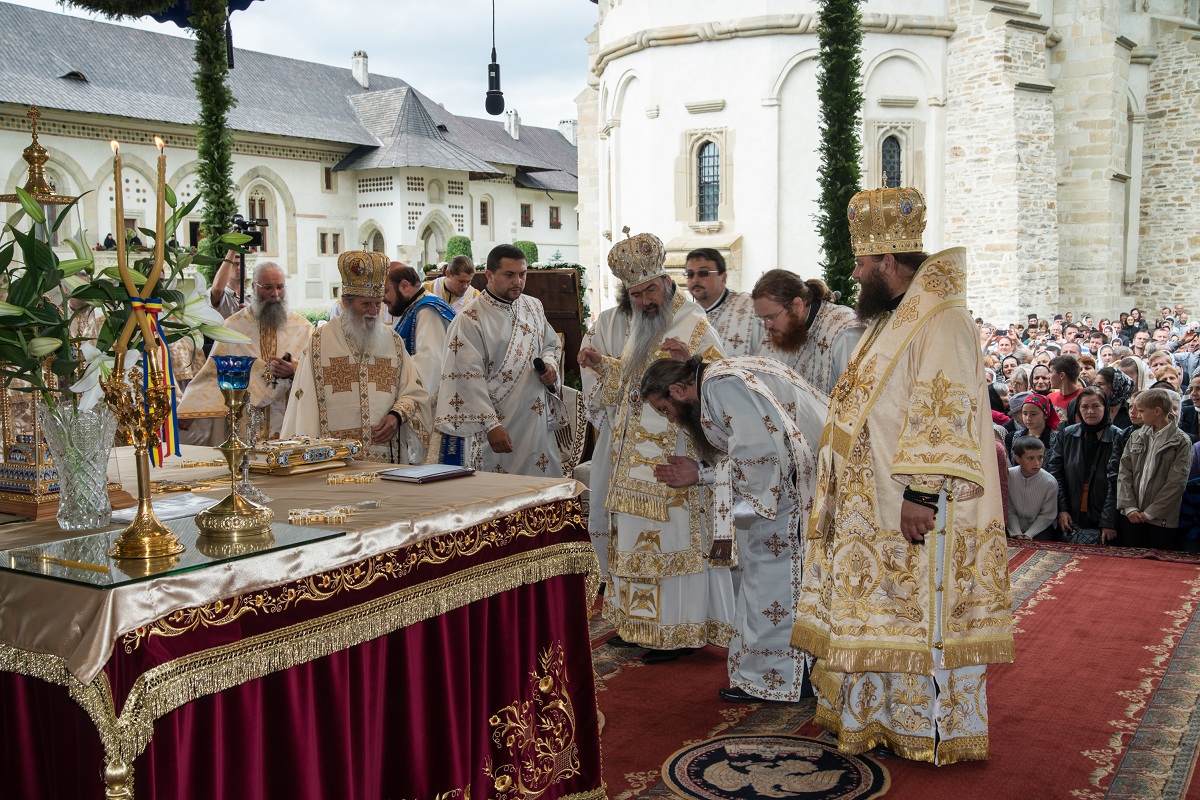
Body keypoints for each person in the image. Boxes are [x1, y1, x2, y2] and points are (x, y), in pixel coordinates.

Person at [791, 186, 1013, 764]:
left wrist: (922, 494)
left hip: (914, 508)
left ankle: (931, 727)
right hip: (873, 507)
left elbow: (944, 411)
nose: (856, 270)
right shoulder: (891, 319)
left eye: (863, 263)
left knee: (921, 615)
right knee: (881, 611)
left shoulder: (941, 320)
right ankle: (884, 721)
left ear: (889, 262)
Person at [577, 229, 732, 664]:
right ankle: (637, 625)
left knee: (669, 546)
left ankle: (675, 634)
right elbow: (634, 384)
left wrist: (695, 363)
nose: (645, 300)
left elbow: (724, 384)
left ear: (665, 282)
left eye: (650, 289)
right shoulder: (643, 326)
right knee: (634, 545)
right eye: (636, 293)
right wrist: (604, 366)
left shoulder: (692, 322)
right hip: (633, 464)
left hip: (672, 460)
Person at [640, 355, 827, 702]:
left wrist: (701, 475)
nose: (672, 421)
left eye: (665, 410)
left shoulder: (721, 386)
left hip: (784, 497)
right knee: (783, 581)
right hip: (801, 484)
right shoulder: (727, 370)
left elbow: (761, 459)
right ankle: (800, 676)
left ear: (678, 390)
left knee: (771, 584)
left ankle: (781, 680)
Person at [282, 251, 430, 463]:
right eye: (366, 304)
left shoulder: (393, 342)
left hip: (384, 461)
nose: (373, 311)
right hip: (334, 462)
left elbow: (415, 393)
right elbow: (304, 404)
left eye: (378, 304)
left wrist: (397, 416)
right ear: (346, 302)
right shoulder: (319, 343)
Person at [434, 244, 566, 476]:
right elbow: (466, 377)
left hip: (536, 423)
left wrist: (551, 366)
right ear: (489, 275)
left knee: (541, 490)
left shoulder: (533, 306)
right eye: (509, 275)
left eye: (522, 274)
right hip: (498, 423)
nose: (518, 281)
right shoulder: (470, 319)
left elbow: (550, 344)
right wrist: (491, 425)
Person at [179, 261, 313, 444]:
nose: (275, 294)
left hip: (288, 421)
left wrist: (294, 369)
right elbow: (212, 373)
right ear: (254, 287)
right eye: (268, 287)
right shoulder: (234, 326)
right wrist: (190, 408)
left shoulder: (303, 328)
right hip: (246, 420)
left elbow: (316, 370)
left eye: (280, 287)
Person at [579, 288, 632, 585]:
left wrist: (607, 366)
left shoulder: (679, 320)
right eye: (634, 292)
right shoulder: (606, 322)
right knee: (606, 504)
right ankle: (608, 580)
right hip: (616, 431)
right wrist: (597, 364)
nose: (642, 299)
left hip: (664, 434)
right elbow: (590, 373)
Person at [385, 262, 460, 464]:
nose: (384, 299)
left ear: (404, 286)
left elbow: (429, 367)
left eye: (386, 291)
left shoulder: (428, 310)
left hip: (434, 413)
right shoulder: (415, 308)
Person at [750, 269, 864, 395]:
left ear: (797, 306)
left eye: (771, 317)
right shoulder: (782, 332)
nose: (767, 326)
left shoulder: (844, 333)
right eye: (763, 319)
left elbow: (855, 400)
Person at [1116, 388, 1194, 550]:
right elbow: (1124, 472)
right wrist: (1129, 507)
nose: (1138, 414)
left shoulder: (1181, 441)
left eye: (1142, 411)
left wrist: (1150, 512)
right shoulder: (1136, 436)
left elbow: (1176, 483)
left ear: (1157, 411)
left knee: (1157, 567)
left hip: (1162, 519)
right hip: (1133, 515)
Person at [1048, 386, 1121, 544]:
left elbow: (1116, 482)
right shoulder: (1067, 435)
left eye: (1096, 406)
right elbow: (1056, 473)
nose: (1090, 411)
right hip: (1073, 510)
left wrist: (1108, 521)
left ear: (1105, 408)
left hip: (1103, 512)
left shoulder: (1118, 437)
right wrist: (1062, 509)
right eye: (1085, 407)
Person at [683, 248, 763, 356]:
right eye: (690, 274)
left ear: (723, 278)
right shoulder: (685, 315)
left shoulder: (751, 308)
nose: (695, 280)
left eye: (703, 273)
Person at [1007, 437, 1058, 540]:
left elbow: (1047, 515)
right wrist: (1016, 532)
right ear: (1018, 459)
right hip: (1011, 525)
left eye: (1040, 458)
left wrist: (1029, 534)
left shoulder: (1049, 482)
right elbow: (1008, 508)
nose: (1037, 463)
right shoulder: (1008, 476)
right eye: (1030, 458)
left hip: (1040, 528)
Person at [1047, 354, 1082, 425]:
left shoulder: (1084, 398)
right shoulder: (1050, 398)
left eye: (1051, 372)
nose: (1048, 376)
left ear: (1062, 375)